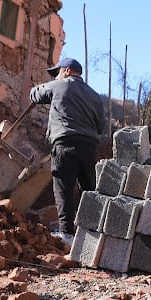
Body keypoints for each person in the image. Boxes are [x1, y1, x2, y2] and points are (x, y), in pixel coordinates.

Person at [30, 58, 106, 244]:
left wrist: (54, 85)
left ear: (67, 70)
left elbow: (34, 94)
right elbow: (101, 127)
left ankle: (67, 233)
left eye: (57, 72)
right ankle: (92, 235)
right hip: (89, 146)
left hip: (65, 143)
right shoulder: (95, 96)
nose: (56, 76)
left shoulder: (59, 85)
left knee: (63, 187)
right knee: (89, 190)